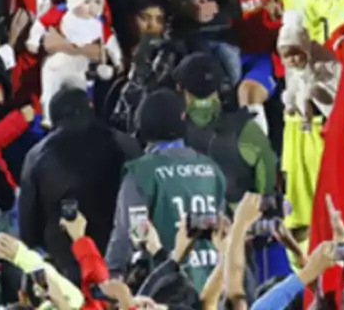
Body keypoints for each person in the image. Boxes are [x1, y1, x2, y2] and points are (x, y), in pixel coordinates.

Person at [106, 89, 226, 291]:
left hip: (167, 286)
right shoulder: (212, 169)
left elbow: (131, 232)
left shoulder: (142, 172)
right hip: (213, 282)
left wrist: (112, 275)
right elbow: (223, 229)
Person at [18, 87, 141, 281]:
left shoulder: (36, 155)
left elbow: (28, 224)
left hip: (66, 265)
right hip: (119, 262)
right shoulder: (126, 145)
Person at [173, 53, 278, 204]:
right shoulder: (247, 129)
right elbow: (267, 178)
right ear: (221, 88)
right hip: (242, 218)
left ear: (181, 89)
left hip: (187, 218)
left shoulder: (172, 129)